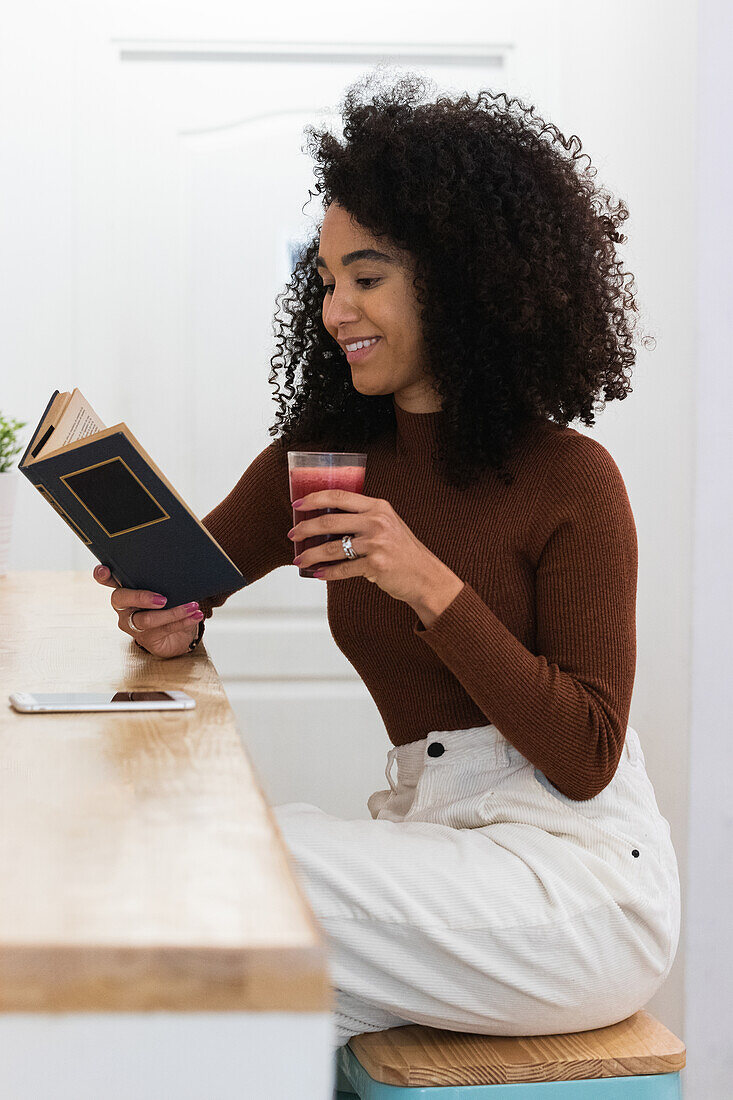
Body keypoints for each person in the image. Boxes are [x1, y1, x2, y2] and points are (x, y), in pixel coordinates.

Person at [94, 72, 680, 1048]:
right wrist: (161, 613)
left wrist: (424, 580)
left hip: (575, 881)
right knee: (202, 1006)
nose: (335, 308)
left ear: (461, 281)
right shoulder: (324, 459)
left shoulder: (570, 477)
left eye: (366, 277)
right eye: (325, 279)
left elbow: (584, 755)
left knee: (236, 850)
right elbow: (189, 578)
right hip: (431, 856)